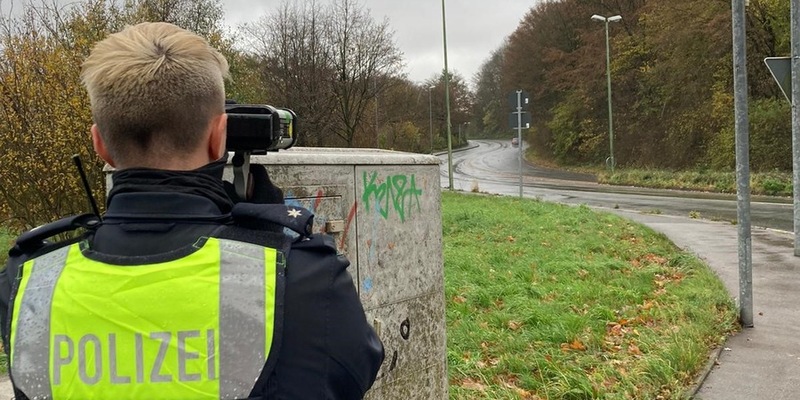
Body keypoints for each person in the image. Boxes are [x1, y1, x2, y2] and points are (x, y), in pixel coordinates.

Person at [0, 22, 383, 399]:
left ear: (100, 144)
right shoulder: (308, 279)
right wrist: (268, 235)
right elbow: (354, 370)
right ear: (219, 138)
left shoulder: (27, 283)